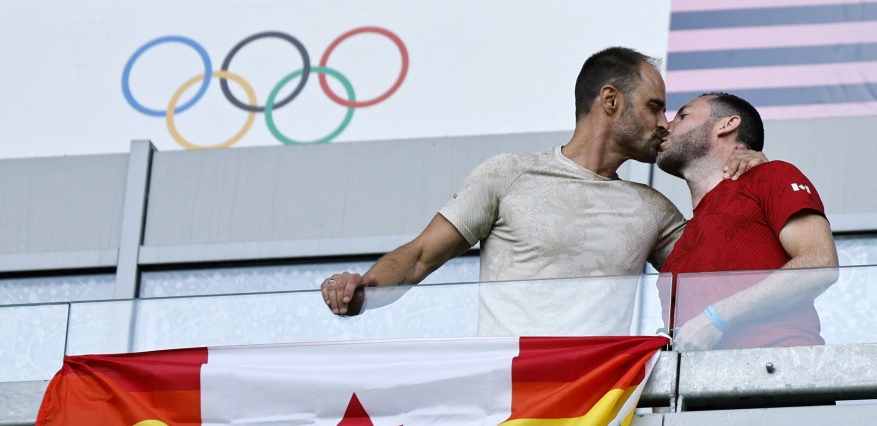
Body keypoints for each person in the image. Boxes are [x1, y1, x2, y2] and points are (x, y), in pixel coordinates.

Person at [320, 47, 761, 335]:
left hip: (590, 420)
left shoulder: (654, 210)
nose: (664, 124)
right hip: (506, 407)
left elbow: (720, 275)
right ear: (610, 101)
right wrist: (364, 287)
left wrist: (750, 172)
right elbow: (418, 257)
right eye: (654, 107)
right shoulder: (509, 173)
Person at [655, 92, 839, 350]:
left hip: (779, 373)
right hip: (704, 386)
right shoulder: (678, 250)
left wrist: (717, 317)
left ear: (727, 124)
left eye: (683, 115)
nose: (665, 126)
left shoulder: (771, 175)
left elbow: (820, 264)